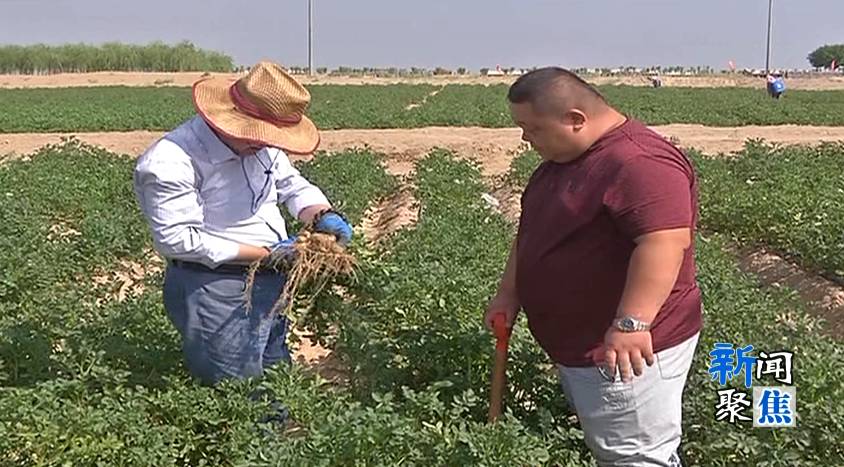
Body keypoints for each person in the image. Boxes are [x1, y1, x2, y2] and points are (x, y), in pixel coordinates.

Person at [484, 67, 702, 466]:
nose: (524, 138)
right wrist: (509, 293)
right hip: (583, 346)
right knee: (614, 447)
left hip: (624, 351)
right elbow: (533, 232)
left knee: (634, 456)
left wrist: (631, 323)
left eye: (531, 128)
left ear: (575, 120)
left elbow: (664, 242)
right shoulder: (561, 160)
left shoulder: (640, 162)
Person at [133, 61, 353, 389]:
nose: (266, 144)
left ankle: (274, 436)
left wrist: (321, 214)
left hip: (272, 283)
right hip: (215, 286)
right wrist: (267, 254)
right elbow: (178, 240)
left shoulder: (263, 148)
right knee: (236, 390)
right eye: (260, 136)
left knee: (275, 377)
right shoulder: (171, 161)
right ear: (232, 117)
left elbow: (291, 185)